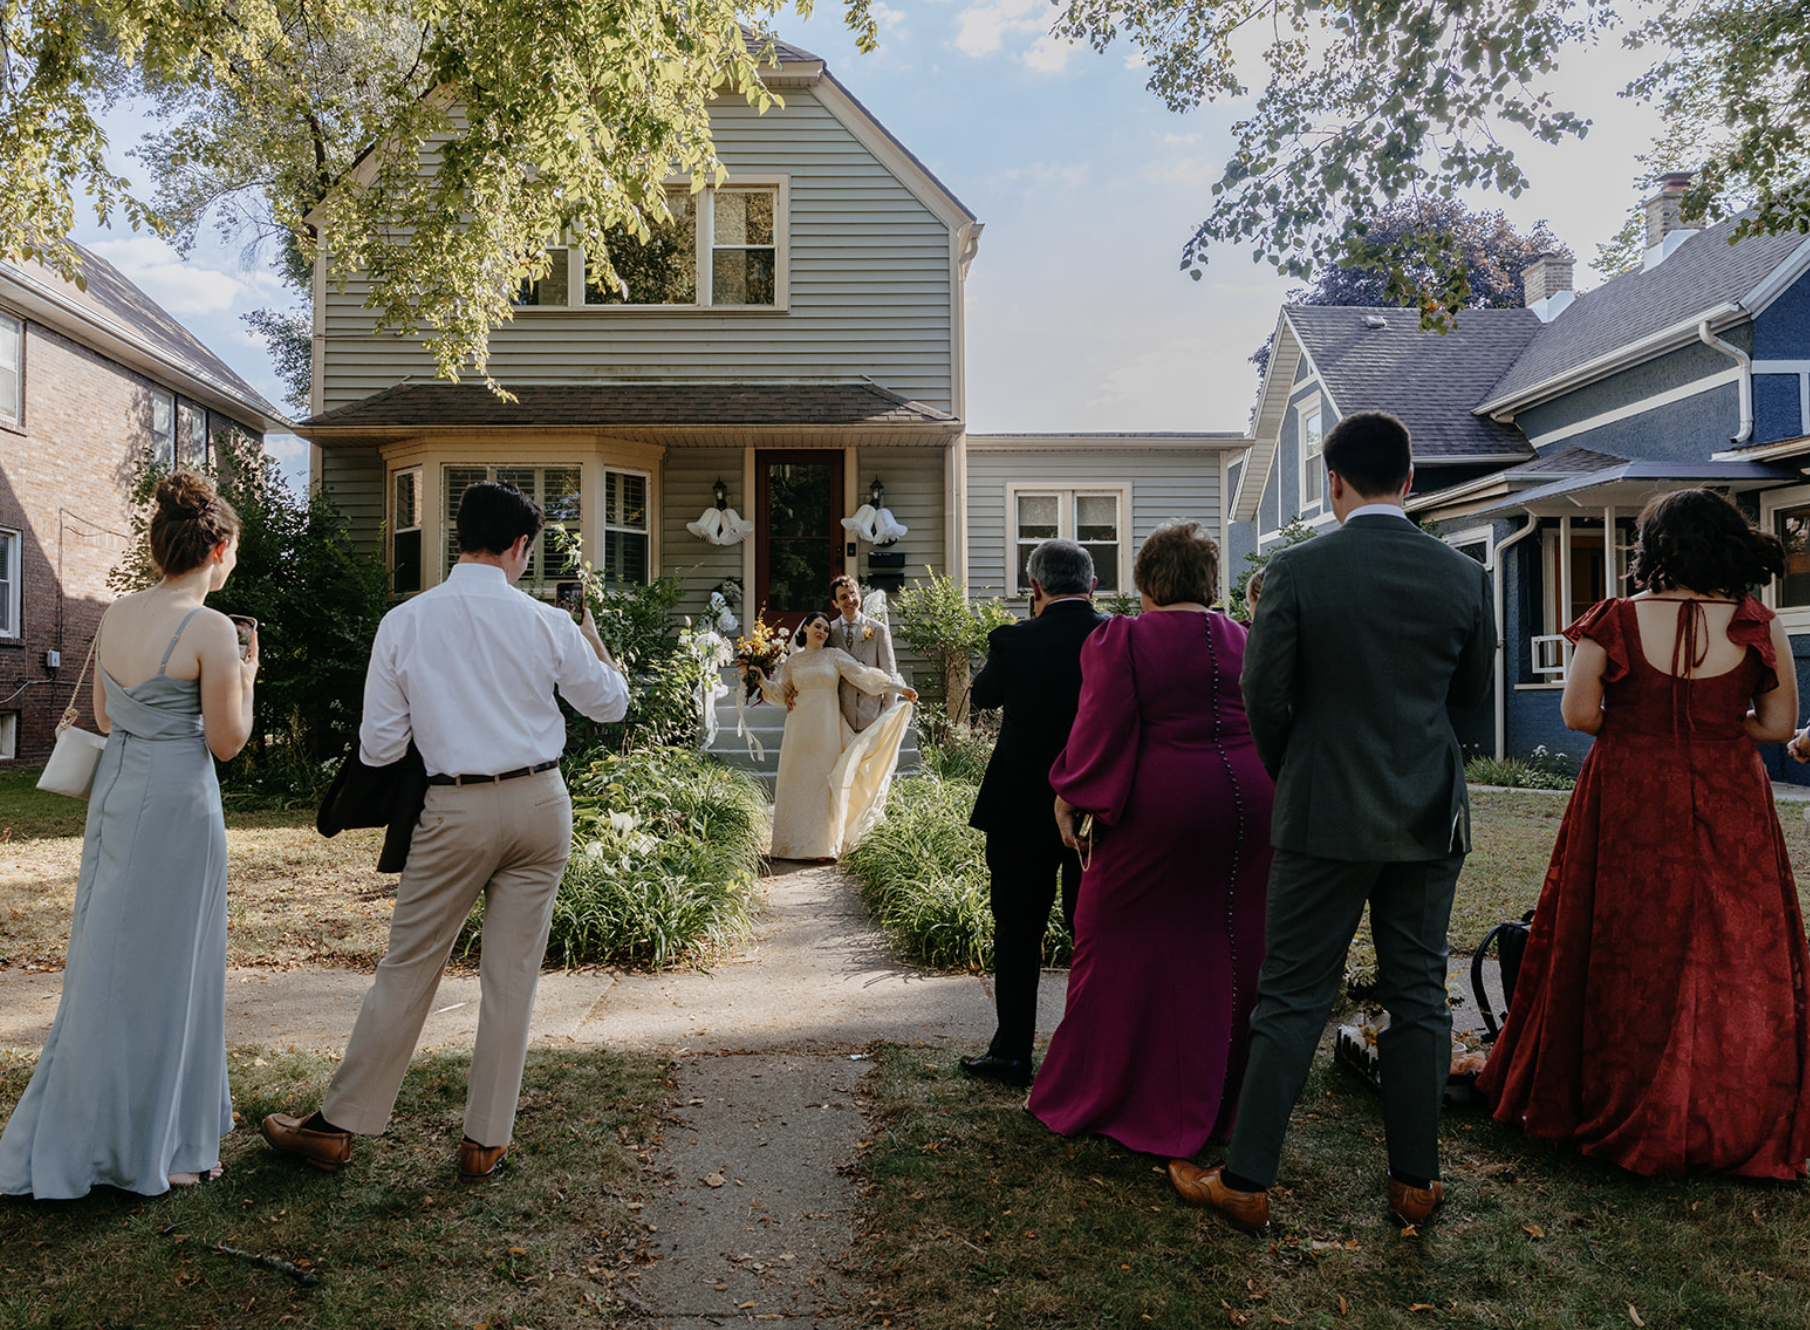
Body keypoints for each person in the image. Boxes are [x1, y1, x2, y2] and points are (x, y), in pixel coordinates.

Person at [1170, 411, 1494, 1233]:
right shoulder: (1464, 576)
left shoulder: (1299, 571)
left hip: (1323, 809)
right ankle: (1415, 1184)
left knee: (1292, 995)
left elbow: (1262, 697)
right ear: (1411, 479)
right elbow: (1471, 709)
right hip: (1428, 812)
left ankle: (1246, 1183)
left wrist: (1298, 769)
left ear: (1333, 481)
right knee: (1420, 993)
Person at [261, 481, 629, 1183]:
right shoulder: (547, 625)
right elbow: (610, 706)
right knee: (512, 977)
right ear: (521, 547)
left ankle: (339, 1125)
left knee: (410, 965)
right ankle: (485, 1141)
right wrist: (587, 632)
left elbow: (378, 747)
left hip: (453, 809)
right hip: (540, 804)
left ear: (459, 536)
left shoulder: (406, 622)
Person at [1478, 488, 1810, 1178]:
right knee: (1731, 942)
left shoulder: (1616, 618)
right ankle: (1724, 1106)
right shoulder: (1759, 623)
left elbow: (1576, 714)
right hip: (1729, 792)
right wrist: (1716, 735)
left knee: (1625, 938)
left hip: (1629, 789)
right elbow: (1779, 729)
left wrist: (1645, 732)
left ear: (1654, 548)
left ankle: (1607, 1091)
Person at [0, 474, 256, 1197]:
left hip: (117, 796)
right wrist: (249, 675)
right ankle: (170, 1146)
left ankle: (102, 1127)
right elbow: (229, 743)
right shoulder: (210, 627)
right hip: (178, 803)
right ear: (220, 547)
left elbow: (108, 720)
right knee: (176, 968)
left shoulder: (115, 615)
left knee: (108, 962)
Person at [1028, 522, 1274, 1152]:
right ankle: (1224, 1093)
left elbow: (1100, 728)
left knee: (1110, 938)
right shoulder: (1246, 638)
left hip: (1164, 805)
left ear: (1144, 582)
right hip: (1253, 803)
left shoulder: (1126, 638)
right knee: (1228, 944)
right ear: (1210, 582)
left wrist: (1071, 794)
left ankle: (1111, 1090)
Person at [959, 539, 1108, 1087]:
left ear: (1035, 589)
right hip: (1095, 807)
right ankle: (1089, 1056)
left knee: (1018, 931)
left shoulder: (1015, 640)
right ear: (1093, 586)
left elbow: (983, 697)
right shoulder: (1114, 635)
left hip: (1020, 807)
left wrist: (1025, 627)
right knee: (1089, 932)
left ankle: (1013, 1053)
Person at [763, 610, 917, 860]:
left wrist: (899, 688)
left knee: (824, 780)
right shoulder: (792, 662)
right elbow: (781, 694)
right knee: (797, 780)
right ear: (805, 629)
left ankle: (823, 846)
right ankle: (788, 845)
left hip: (827, 728)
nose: (822, 632)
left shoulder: (833, 656)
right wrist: (760, 681)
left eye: (825, 629)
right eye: (817, 627)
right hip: (799, 728)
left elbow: (862, 676)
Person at [830, 574, 898, 734]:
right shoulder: (829, 632)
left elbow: (890, 674)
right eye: (843, 597)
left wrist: (888, 716)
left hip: (871, 716)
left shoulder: (878, 630)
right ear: (835, 603)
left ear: (859, 595)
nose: (850, 600)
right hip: (839, 719)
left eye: (853, 594)